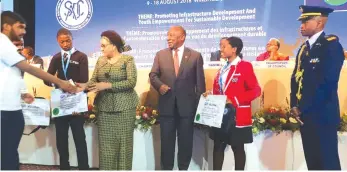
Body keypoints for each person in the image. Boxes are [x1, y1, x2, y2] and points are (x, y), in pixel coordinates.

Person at [0, 11, 76, 170]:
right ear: (6, 26)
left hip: (12, 109)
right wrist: (60, 82)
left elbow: (12, 73)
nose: (24, 32)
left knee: (10, 153)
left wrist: (22, 92)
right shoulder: (1, 42)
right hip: (4, 111)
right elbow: (26, 67)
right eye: (20, 27)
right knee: (6, 155)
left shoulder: (7, 45)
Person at [290, 5, 344, 170]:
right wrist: (294, 105)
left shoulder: (331, 46)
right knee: (313, 163)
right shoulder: (304, 49)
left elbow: (328, 82)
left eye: (306, 21)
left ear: (319, 22)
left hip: (323, 115)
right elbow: (295, 78)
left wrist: (303, 108)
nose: (302, 25)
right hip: (306, 116)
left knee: (327, 163)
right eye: (302, 21)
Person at [76, 30, 138, 170]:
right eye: (101, 45)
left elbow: (131, 82)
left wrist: (108, 85)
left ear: (114, 45)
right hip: (104, 109)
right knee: (106, 147)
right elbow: (94, 80)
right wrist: (84, 86)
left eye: (104, 46)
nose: (101, 48)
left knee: (124, 146)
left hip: (124, 108)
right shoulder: (100, 60)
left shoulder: (127, 60)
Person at [149, 26, 206, 170]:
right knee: (166, 143)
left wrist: (200, 110)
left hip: (187, 109)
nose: (168, 38)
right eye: (167, 35)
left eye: (172, 35)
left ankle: (183, 168)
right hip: (167, 107)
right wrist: (159, 86)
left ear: (182, 37)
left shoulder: (195, 56)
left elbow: (200, 85)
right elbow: (153, 75)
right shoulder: (160, 55)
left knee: (185, 143)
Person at [204, 37, 261, 170]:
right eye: (220, 46)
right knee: (218, 146)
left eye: (224, 46)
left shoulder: (244, 66)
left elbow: (256, 90)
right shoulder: (223, 68)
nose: (221, 49)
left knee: (237, 148)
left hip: (237, 115)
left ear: (234, 49)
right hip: (220, 115)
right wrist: (210, 93)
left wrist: (234, 99)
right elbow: (222, 90)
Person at [43, 28, 89, 170]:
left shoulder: (81, 56)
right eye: (62, 41)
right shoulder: (56, 58)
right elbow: (47, 79)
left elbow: (84, 80)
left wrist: (72, 86)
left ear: (72, 38)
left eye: (67, 40)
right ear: (57, 41)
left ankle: (84, 167)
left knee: (79, 137)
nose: (65, 44)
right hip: (61, 103)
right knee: (61, 138)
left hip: (76, 102)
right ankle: (64, 167)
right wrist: (58, 83)